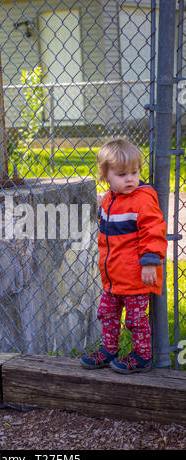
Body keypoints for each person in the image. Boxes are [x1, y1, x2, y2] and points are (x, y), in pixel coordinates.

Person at [80, 138, 168, 374]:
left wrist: (150, 262)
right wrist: (100, 205)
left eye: (134, 172)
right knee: (107, 313)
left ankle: (142, 357)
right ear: (105, 175)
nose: (130, 179)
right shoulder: (110, 199)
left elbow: (154, 231)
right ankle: (109, 349)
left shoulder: (142, 200)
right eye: (122, 174)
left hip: (136, 277)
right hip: (112, 278)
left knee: (136, 320)